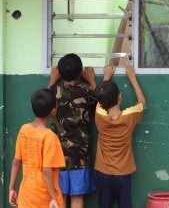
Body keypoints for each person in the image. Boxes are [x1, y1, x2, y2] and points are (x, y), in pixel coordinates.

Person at [48, 53, 114, 208]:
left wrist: (52, 79)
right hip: (80, 157)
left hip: (58, 156)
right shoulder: (85, 90)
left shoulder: (54, 90)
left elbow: (43, 99)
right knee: (77, 197)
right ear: (80, 73)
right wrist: (96, 79)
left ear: (59, 72)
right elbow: (103, 99)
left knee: (61, 197)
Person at [94, 65, 146, 208]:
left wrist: (106, 76)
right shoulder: (129, 117)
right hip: (122, 174)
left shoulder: (99, 115)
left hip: (103, 173)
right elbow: (142, 102)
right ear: (120, 96)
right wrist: (132, 78)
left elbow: (100, 99)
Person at [8, 88, 66, 208]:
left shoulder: (24, 129)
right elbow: (46, 170)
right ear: (53, 111)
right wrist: (54, 199)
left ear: (31, 106)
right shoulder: (50, 137)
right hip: (44, 200)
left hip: (25, 197)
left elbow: (16, 161)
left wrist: (11, 188)